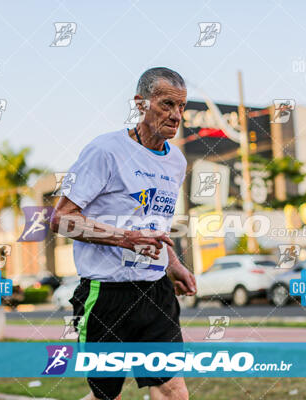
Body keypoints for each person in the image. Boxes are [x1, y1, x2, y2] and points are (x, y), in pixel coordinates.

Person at [50, 67, 196, 400]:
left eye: (182, 107)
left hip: (156, 293)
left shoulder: (176, 161)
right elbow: (60, 220)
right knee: (106, 396)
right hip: (107, 295)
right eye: (167, 104)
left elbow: (155, 225)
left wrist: (173, 264)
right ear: (140, 104)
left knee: (174, 390)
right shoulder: (104, 151)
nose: (176, 116)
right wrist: (123, 238)